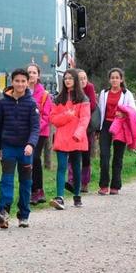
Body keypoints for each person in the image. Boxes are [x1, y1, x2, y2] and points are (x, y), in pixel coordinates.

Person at [0, 68, 40, 229]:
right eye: (17, 81)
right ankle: (3, 213)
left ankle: (24, 215)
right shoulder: (2, 102)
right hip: (8, 147)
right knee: (6, 181)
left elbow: (35, 128)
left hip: (25, 150)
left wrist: (30, 144)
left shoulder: (31, 103)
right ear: (12, 82)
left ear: (28, 83)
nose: (20, 84)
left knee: (25, 182)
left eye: (23, 81)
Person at [49, 68, 90, 209]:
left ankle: (77, 195)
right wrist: (68, 115)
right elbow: (53, 119)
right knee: (61, 167)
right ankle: (60, 197)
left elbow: (85, 119)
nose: (67, 80)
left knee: (76, 168)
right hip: (62, 138)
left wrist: (78, 134)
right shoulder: (58, 98)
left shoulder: (83, 99)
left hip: (76, 139)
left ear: (76, 81)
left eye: (70, 78)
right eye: (65, 78)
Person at [98, 68, 136, 195]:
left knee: (118, 157)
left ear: (121, 79)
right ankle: (103, 185)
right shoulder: (103, 93)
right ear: (109, 80)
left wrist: (123, 113)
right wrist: (98, 129)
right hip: (106, 125)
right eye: (112, 77)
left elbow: (133, 111)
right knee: (104, 156)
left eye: (117, 77)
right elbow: (100, 111)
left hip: (120, 126)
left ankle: (115, 185)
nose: (114, 80)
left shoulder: (127, 94)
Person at [27, 63, 53, 205]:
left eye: (34, 72)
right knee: (27, 160)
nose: (31, 75)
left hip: (40, 132)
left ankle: (37, 190)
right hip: (24, 132)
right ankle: (32, 190)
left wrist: (35, 129)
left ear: (38, 75)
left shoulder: (44, 95)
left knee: (35, 157)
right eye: (29, 72)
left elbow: (46, 116)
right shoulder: (22, 92)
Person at [75, 69, 98, 192]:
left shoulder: (89, 88)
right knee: (73, 153)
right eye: (80, 78)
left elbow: (93, 105)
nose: (83, 81)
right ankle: (72, 179)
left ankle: (85, 182)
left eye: (85, 78)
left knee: (86, 154)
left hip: (87, 127)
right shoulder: (72, 88)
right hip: (73, 125)